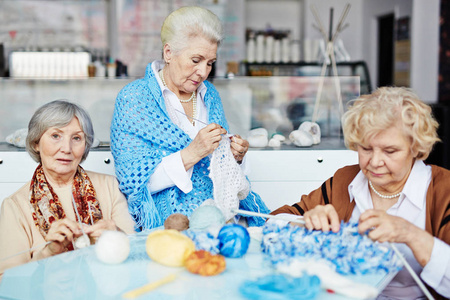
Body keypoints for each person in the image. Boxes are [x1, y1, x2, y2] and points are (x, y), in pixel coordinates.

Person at [271, 87, 450, 299]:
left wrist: (412, 235)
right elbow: (271, 223)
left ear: (416, 147)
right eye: (365, 148)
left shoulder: (444, 190)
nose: (374, 162)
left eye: (389, 151)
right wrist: (302, 222)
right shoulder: (345, 180)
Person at [110, 6, 269, 230]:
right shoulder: (134, 99)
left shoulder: (210, 95)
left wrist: (235, 156)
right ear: (168, 53)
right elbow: (133, 184)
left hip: (221, 216)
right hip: (170, 224)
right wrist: (192, 153)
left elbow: (221, 171)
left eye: (210, 63)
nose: (204, 72)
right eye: (196, 60)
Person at [0, 100, 135, 280]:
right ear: (36, 143)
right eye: (56, 136)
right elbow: (7, 281)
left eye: (77, 138)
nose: (66, 149)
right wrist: (48, 253)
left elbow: (136, 259)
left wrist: (117, 234)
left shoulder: (110, 186)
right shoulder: (14, 206)